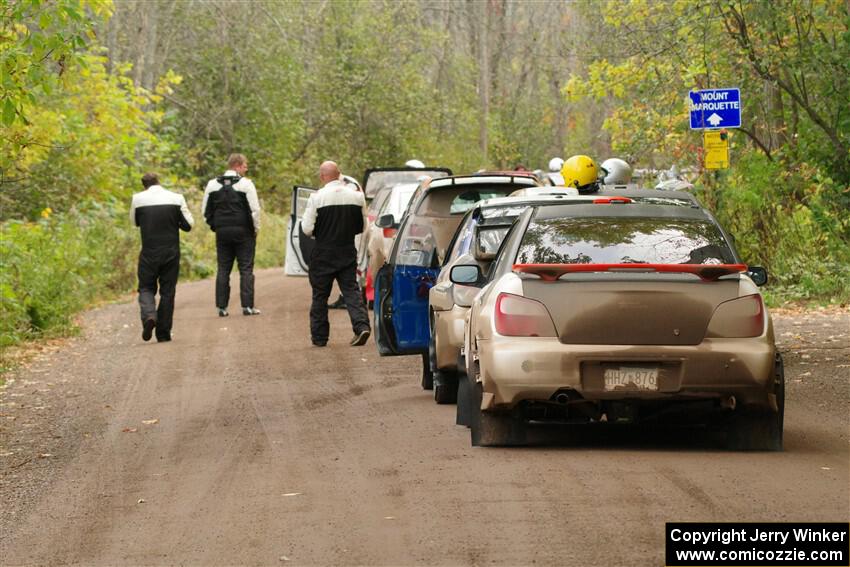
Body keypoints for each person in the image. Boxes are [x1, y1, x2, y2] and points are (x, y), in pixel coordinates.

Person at [302, 161, 371, 347]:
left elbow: (307, 229)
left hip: (323, 252)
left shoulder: (317, 198)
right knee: (351, 291)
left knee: (320, 295)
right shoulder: (357, 197)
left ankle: (319, 337)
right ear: (339, 174)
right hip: (347, 250)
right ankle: (361, 326)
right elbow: (363, 227)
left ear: (322, 177)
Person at [130, 173, 194, 342]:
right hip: (171, 252)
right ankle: (163, 333)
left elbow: (134, 222)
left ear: (144, 185)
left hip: (149, 252)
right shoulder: (176, 198)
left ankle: (149, 315)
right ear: (159, 181)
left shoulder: (137, 199)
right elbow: (189, 225)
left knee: (145, 288)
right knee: (168, 292)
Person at [202, 153, 261, 317]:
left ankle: (222, 307)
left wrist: (216, 226)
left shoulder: (212, 184)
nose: (246, 168)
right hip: (244, 232)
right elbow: (255, 210)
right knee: (246, 268)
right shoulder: (246, 184)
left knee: (223, 269)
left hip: (222, 233)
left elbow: (205, 212)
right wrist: (255, 229)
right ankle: (247, 307)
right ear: (237, 165)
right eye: (245, 165)